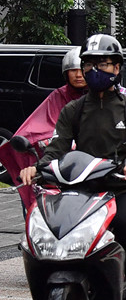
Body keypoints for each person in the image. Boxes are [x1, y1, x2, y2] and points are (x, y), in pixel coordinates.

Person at [21, 35, 126, 300]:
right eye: (89, 64)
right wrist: (37, 167)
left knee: (124, 225)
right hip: (82, 186)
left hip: (121, 186)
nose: (94, 70)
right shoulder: (74, 109)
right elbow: (56, 147)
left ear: (117, 68)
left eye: (103, 64)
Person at [0, 48, 87, 212]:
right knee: (35, 196)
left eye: (82, 70)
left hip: (93, 163)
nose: (78, 75)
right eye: (73, 70)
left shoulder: (101, 97)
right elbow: (36, 128)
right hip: (57, 162)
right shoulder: (58, 96)